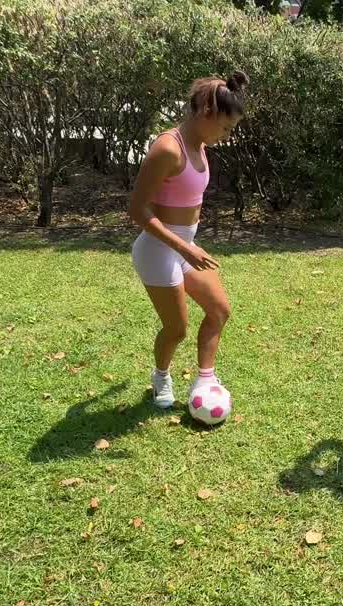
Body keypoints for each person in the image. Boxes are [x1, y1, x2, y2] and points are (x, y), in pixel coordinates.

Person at [128, 72, 249, 408]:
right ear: (206, 111)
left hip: (185, 248)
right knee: (176, 328)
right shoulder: (168, 148)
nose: (226, 136)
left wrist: (188, 243)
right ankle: (161, 376)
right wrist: (183, 246)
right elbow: (137, 209)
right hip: (157, 251)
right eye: (225, 127)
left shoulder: (199, 144)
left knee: (219, 309)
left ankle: (205, 380)